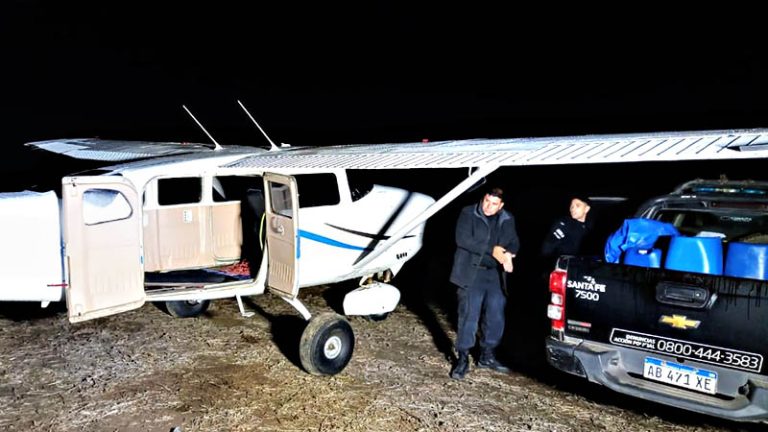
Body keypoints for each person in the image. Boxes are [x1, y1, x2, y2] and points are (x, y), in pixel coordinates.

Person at [449, 187, 520, 380]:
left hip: (495, 275)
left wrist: (509, 254)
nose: (489, 207)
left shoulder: (507, 218)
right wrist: (493, 250)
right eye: (486, 201)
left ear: (501, 206)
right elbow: (463, 239)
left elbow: (514, 242)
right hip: (472, 274)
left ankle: (487, 355)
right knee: (469, 316)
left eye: (494, 204)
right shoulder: (468, 213)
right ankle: (463, 357)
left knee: (496, 315)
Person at [540, 195, 592, 262]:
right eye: (571, 205)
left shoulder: (588, 228)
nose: (572, 208)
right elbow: (548, 245)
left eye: (577, 205)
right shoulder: (564, 223)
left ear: (586, 209)